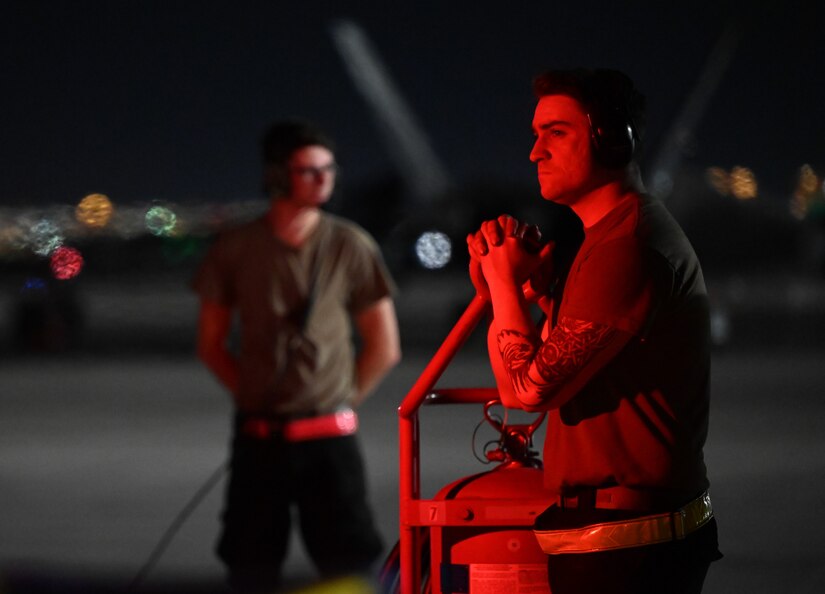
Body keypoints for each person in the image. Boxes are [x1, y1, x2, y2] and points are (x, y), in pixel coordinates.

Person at [466, 68, 721, 594]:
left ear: (612, 139)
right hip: (619, 537)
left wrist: (503, 286)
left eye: (556, 133)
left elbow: (528, 390)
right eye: (535, 136)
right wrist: (531, 292)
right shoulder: (609, 238)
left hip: (627, 548)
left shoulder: (626, 247)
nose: (536, 152)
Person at [192, 119, 401, 593]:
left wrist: (340, 400)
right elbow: (211, 345)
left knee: (347, 565)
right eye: (308, 170)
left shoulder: (350, 244)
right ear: (276, 175)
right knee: (250, 564)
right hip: (258, 439)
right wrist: (253, 396)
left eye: (328, 169)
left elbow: (384, 347)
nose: (323, 179)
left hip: (330, 444)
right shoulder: (236, 248)